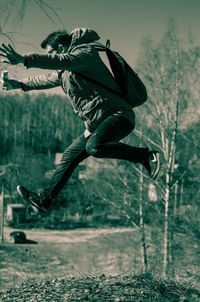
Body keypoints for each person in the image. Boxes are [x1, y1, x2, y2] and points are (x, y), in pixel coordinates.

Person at [0, 27, 160, 213]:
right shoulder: (66, 72)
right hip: (98, 122)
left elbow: (60, 61)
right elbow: (46, 78)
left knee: (94, 147)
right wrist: (19, 84)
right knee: (70, 155)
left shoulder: (85, 54)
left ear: (60, 47)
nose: (51, 57)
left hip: (118, 115)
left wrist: (23, 59)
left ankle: (146, 156)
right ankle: (43, 200)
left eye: (51, 52)